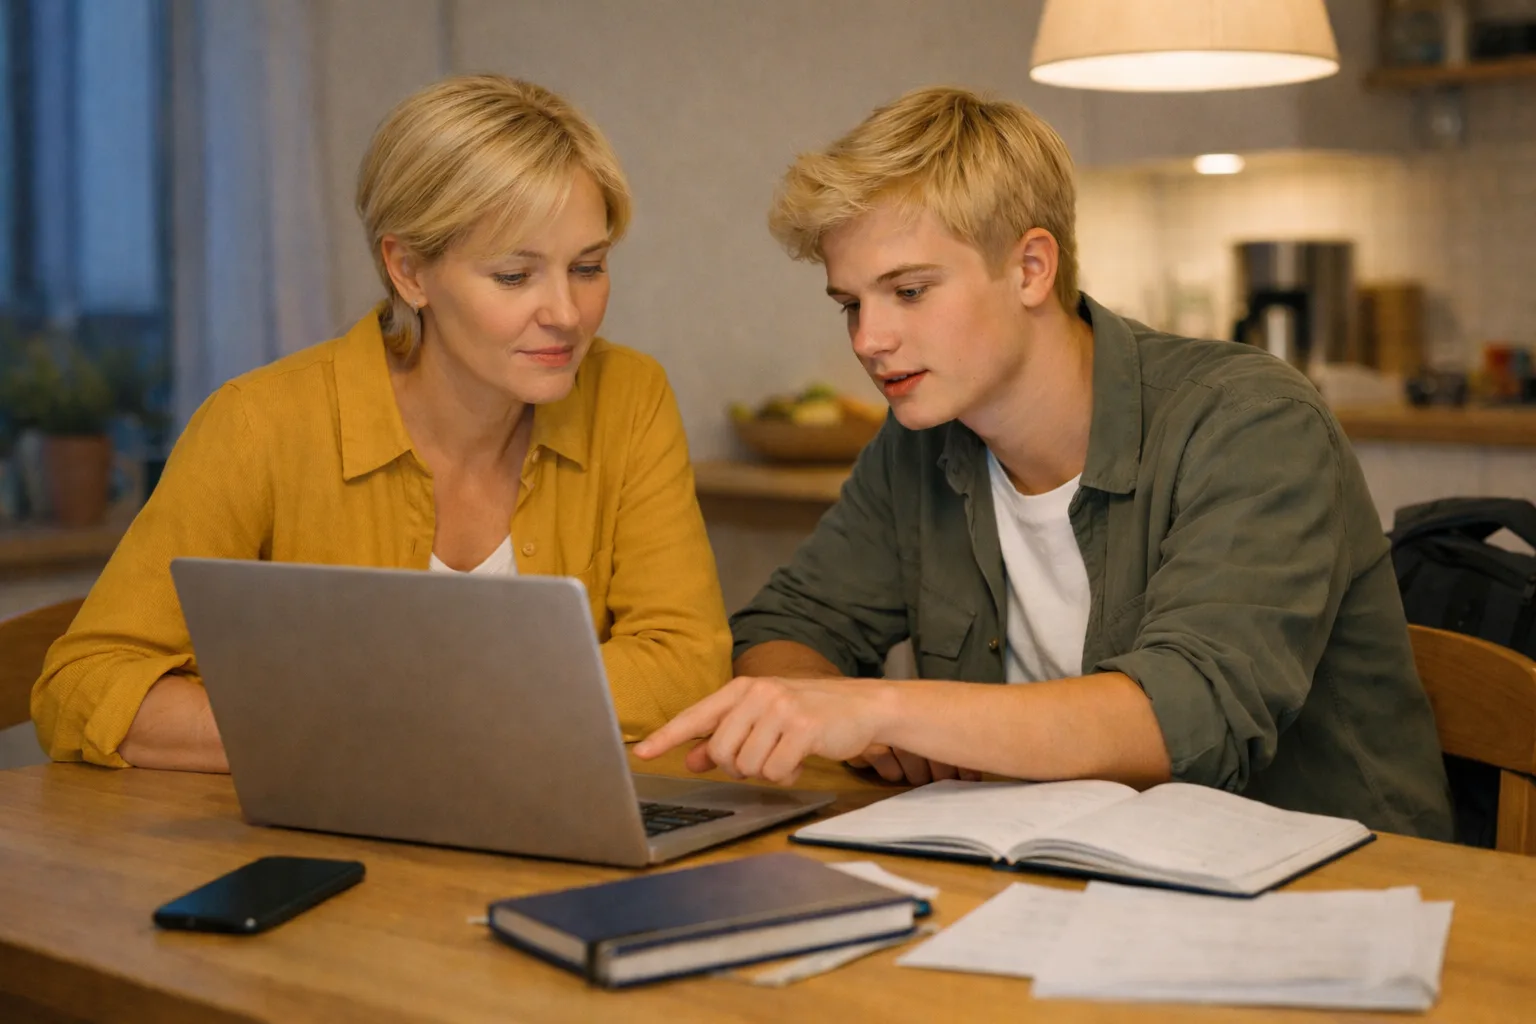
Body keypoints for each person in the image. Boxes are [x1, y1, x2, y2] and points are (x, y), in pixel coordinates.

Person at [637, 86, 1453, 839]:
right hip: (1066, 871)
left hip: (1335, 889)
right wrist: (845, 718)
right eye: (852, 303)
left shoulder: (1251, 420)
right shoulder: (920, 439)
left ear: (1031, 268)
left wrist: (889, 709)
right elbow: (787, 630)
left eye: (909, 292)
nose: (867, 340)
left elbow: (1188, 715)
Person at [33, 75, 731, 771]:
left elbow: (686, 664)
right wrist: (361, 733)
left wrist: (426, 711)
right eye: (515, 276)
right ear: (409, 271)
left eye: (589, 266)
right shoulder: (259, 425)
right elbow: (86, 685)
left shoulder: (629, 396)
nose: (566, 313)